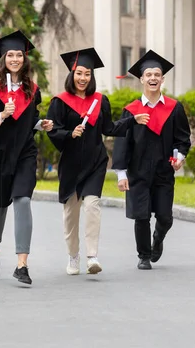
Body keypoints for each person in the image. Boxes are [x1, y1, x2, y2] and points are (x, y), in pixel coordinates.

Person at [46, 48, 149, 275]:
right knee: (71, 214)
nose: (83, 78)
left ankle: (92, 256)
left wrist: (133, 120)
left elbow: (109, 128)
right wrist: (69, 134)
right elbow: (53, 131)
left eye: (88, 74)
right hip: (71, 165)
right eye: (79, 73)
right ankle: (73, 257)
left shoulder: (100, 101)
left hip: (95, 162)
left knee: (93, 206)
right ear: (72, 74)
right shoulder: (60, 102)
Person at [0, 30, 53, 285]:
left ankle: (22, 264)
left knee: (22, 201)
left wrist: (43, 124)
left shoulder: (32, 90)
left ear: (25, 59)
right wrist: (0, 114)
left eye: (19, 54)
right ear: (3, 59)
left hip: (24, 153)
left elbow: (29, 123)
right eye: (11, 54)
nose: (15, 59)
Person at [112, 50, 191, 270]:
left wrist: (180, 157)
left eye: (157, 74)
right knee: (142, 215)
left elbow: (183, 139)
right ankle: (144, 256)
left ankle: (158, 239)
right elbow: (122, 142)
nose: (153, 78)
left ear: (162, 79)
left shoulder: (174, 108)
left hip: (164, 170)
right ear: (142, 79)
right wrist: (121, 174)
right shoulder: (131, 110)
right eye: (149, 75)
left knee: (165, 217)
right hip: (138, 171)